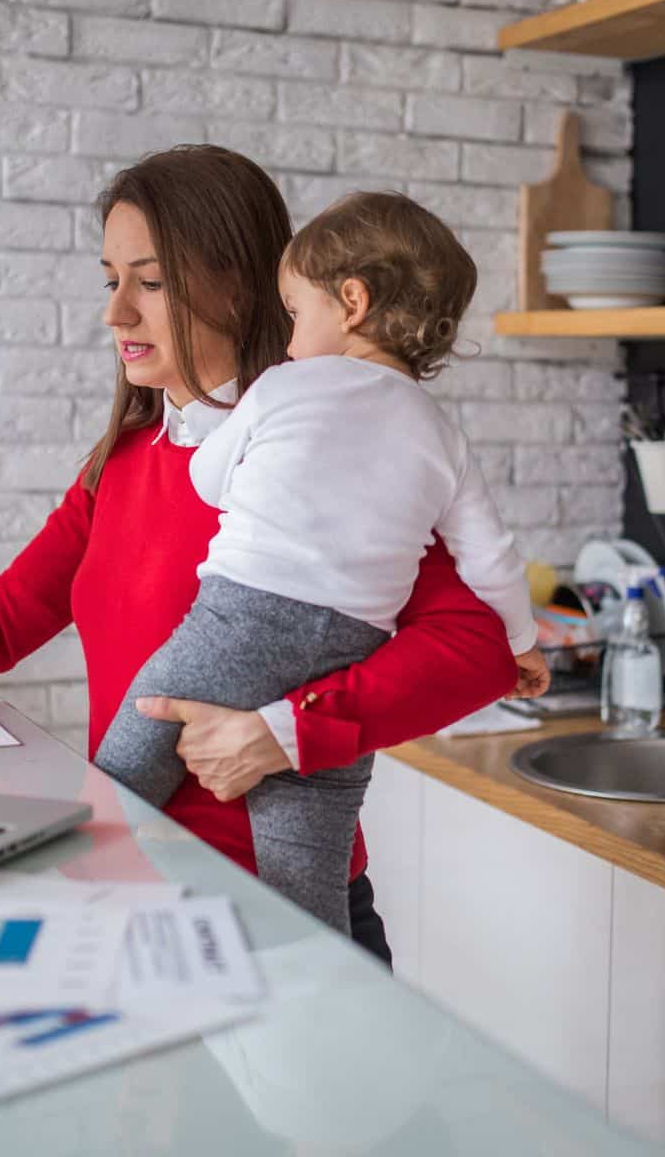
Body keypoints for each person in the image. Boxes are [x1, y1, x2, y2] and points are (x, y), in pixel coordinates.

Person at [0, 145, 516, 964]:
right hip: (141, 899)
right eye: (112, 280)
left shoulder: (330, 463)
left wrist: (291, 733)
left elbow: (482, 649)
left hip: (287, 917)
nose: (117, 314)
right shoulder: (125, 463)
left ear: (240, 283)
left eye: (152, 280)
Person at [92, 191, 550, 933]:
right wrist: (523, 646)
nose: (290, 333)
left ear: (352, 302)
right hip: (347, 651)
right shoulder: (441, 435)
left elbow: (207, 480)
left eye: (296, 313)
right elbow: (492, 560)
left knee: (128, 762)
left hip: (242, 624)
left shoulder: (283, 386)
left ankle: (73, 891)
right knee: (309, 870)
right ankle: (325, 992)